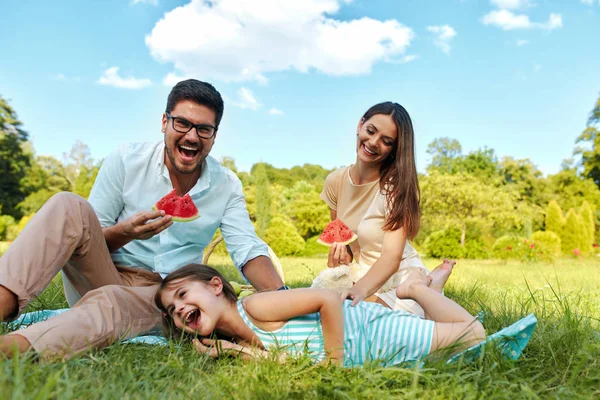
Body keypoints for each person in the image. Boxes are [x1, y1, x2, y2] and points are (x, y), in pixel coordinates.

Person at [0, 79, 284, 359]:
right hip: (103, 275)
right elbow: (84, 237)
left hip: (167, 296)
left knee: (115, 304)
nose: (192, 136)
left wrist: (284, 301)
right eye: (182, 123)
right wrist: (126, 232)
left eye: (204, 129)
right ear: (164, 122)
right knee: (68, 204)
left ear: (214, 135)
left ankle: (11, 351)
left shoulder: (227, 184)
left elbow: (247, 248)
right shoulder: (126, 160)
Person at [156, 263, 486, 367]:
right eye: (172, 310)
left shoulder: (256, 307)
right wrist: (231, 350)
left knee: (473, 336)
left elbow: (327, 299)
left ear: (216, 286)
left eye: (182, 295)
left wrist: (335, 362)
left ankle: (415, 289)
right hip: (369, 352)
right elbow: (289, 363)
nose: (179, 309)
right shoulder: (235, 337)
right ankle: (432, 294)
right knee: (437, 342)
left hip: (368, 333)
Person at [320, 102, 453, 315]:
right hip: (360, 277)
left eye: (386, 141)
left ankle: (426, 288)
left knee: (351, 319)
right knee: (319, 311)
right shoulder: (335, 181)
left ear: (394, 149)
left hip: (399, 282)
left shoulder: (394, 188)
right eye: (371, 131)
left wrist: (357, 291)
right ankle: (433, 286)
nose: (373, 142)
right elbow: (344, 243)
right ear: (360, 125)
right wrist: (340, 260)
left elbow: (391, 258)